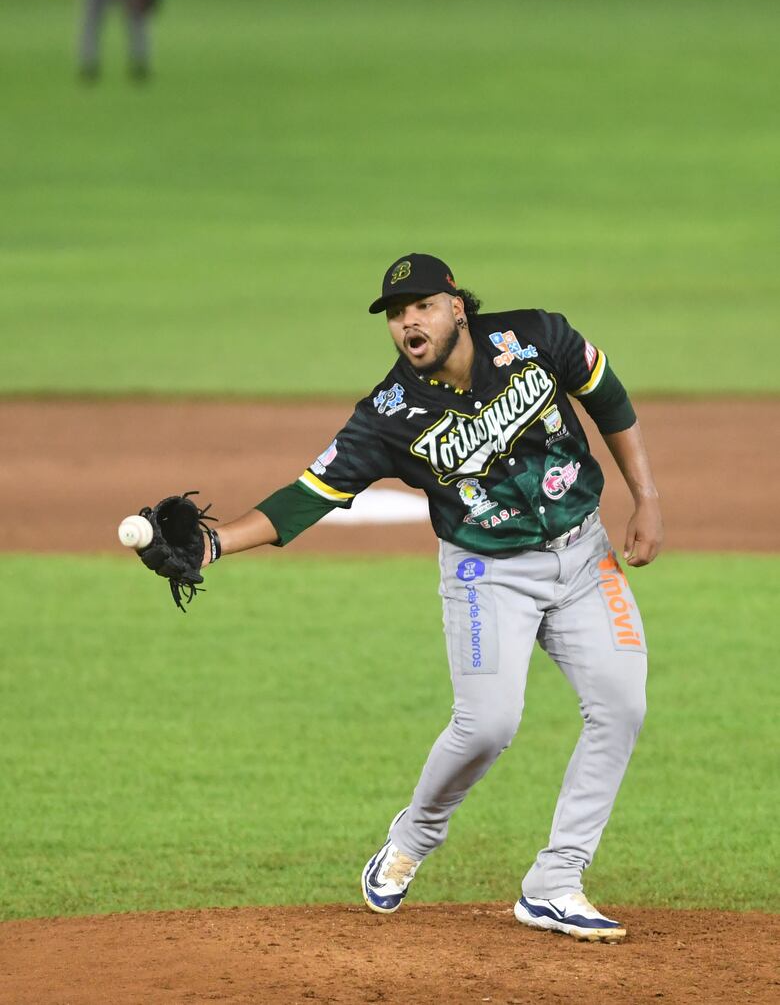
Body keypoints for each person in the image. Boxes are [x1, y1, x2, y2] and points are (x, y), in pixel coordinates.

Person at [196, 253, 663, 943]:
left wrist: (646, 495)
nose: (407, 321)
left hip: (584, 552)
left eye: (419, 305)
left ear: (456, 307)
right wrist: (212, 544)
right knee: (488, 725)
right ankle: (413, 836)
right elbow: (306, 496)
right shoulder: (389, 414)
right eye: (394, 312)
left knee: (623, 704)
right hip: (486, 573)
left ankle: (555, 880)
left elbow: (608, 395)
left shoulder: (535, 337)